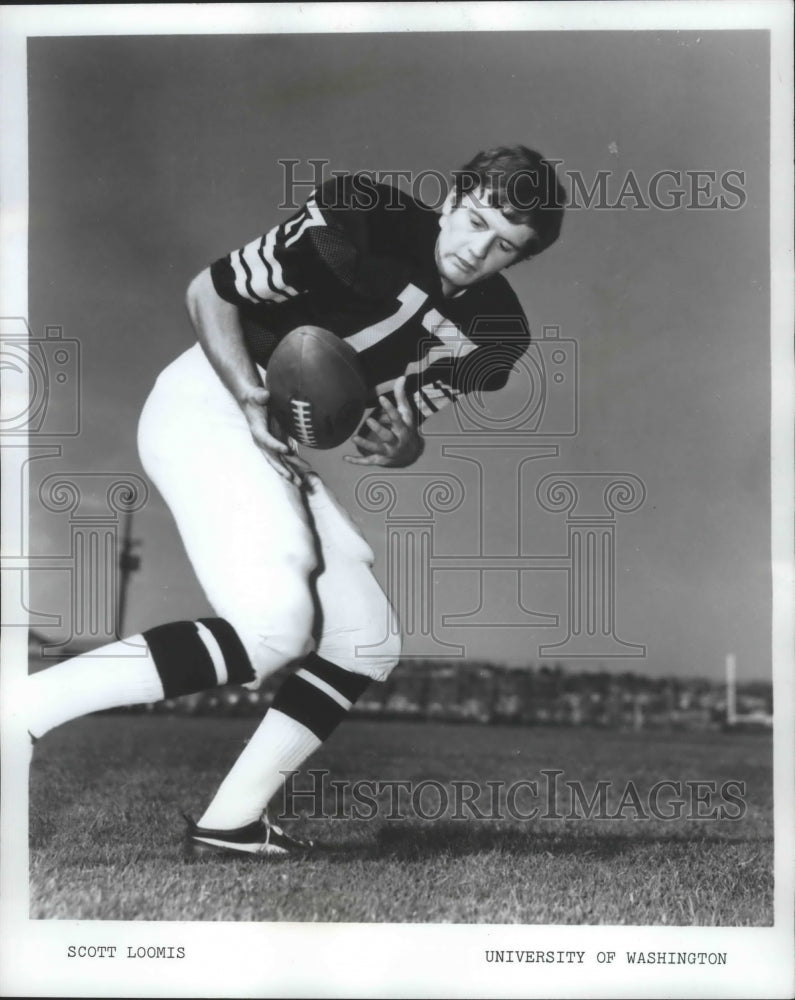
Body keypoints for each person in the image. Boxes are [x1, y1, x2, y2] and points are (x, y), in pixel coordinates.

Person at [27, 145, 566, 858]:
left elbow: (398, 423)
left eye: (504, 246)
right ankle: (19, 712)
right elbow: (207, 292)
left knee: (365, 637)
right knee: (272, 626)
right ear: (450, 199)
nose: (477, 249)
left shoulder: (497, 333)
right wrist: (249, 394)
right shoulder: (360, 218)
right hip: (212, 396)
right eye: (472, 221)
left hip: (272, 435)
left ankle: (231, 824)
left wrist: (400, 442)